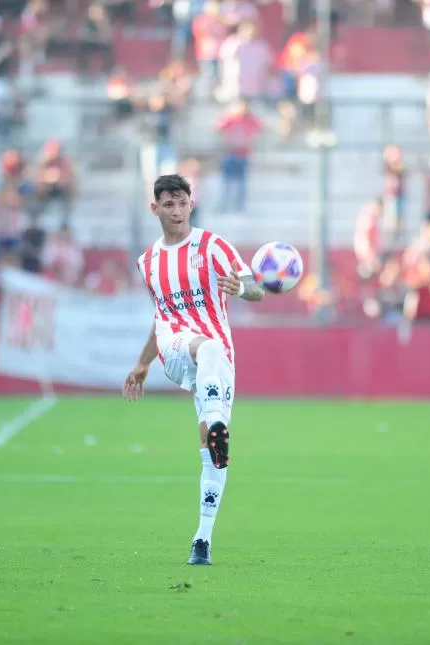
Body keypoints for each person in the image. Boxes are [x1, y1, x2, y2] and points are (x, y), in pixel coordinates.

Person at [123, 174, 265, 566]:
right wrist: (143, 362)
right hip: (176, 347)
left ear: (191, 203)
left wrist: (241, 289)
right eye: (167, 204)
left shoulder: (214, 246)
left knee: (214, 454)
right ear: (155, 209)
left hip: (217, 364)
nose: (175, 210)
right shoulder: (148, 262)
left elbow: (257, 289)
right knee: (208, 347)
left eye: (181, 202)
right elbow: (160, 317)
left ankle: (202, 539)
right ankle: (218, 418)